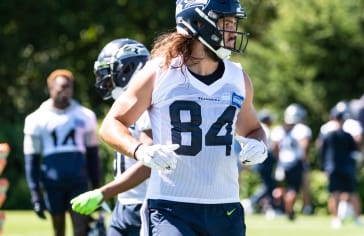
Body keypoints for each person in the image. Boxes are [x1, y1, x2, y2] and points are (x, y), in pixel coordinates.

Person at [99, 0, 268, 235]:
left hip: (225, 208)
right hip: (171, 207)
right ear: (198, 22)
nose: (233, 31)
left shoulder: (238, 78)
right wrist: (140, 151)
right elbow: (112, 124)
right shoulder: (159, 72)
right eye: (226, 22)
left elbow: (253, 129)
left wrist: (259, 144)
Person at [71, 38, 152, 236]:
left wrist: (103, 193)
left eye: (108, 71)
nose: (104, 79)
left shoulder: (148, 105)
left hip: (146, 205)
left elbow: (149, 162)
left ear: (127, 69)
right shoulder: (128, 105)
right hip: (125, 204)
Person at [23, 69, 102, 236]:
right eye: (61, 87)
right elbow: (32, 159)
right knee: (58, 230)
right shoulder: (35, 119)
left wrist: (97, 187)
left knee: (81, 229)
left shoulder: (85, 115)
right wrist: (35, 194)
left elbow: (93, 155)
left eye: (69, 87)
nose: (65, 91)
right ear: (51, 88)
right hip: (53, 182)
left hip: (78, 181)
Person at [318, 104, 363, 229]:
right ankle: (358, 218)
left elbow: (321, 152)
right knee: (352, 193)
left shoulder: (327, 134)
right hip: (347, 167)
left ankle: (336, 219)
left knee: (335, 194)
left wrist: (323, 167)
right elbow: (355, 152)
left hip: (332, 167)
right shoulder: (348, 135)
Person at [271, 103, 312, 221]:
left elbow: (274, 146)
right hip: (295, 162)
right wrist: (304, 160)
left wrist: (278, 159)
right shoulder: (302, 129)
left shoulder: (279, 129)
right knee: (293, 189)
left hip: (283, 163)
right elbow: (304, 146)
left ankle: (284, 209)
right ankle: (289, 211)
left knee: (283, 188)